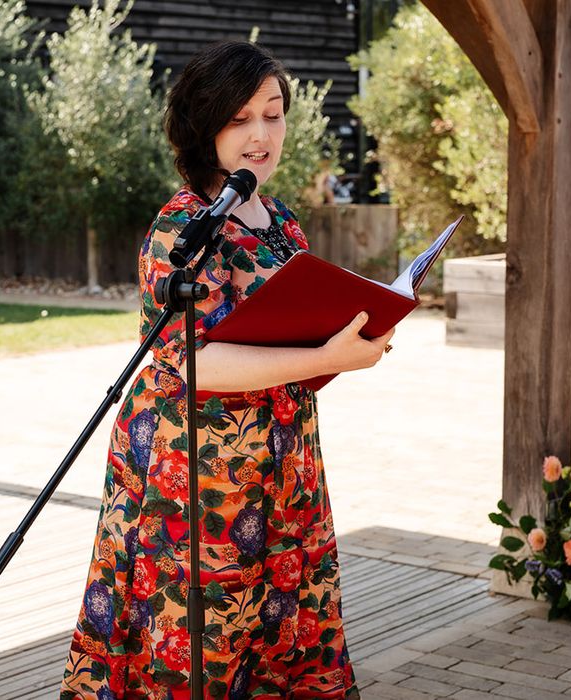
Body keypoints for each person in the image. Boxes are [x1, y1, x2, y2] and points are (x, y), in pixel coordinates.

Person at [61, 41, 394, 700]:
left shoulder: (284, 224)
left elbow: (293, 333)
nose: (261, 133)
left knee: (288, 620)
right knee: (203, 628)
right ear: (204, 124)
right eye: (241, 118)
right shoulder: (180, 227)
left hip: (285, 457)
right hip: (199, 469)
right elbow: (196, 364)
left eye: (273, 114)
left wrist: (356, 334)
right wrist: (330, 357)